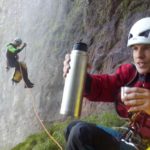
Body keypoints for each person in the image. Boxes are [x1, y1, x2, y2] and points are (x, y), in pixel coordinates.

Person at [63, 17, 150, 150]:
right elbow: (103, 86)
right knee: (72, 128)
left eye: (147, 48)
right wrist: (79, 75)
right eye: (135, 48)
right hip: (131, 138)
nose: (139, 55)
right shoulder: (130, 74)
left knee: (80, 133)